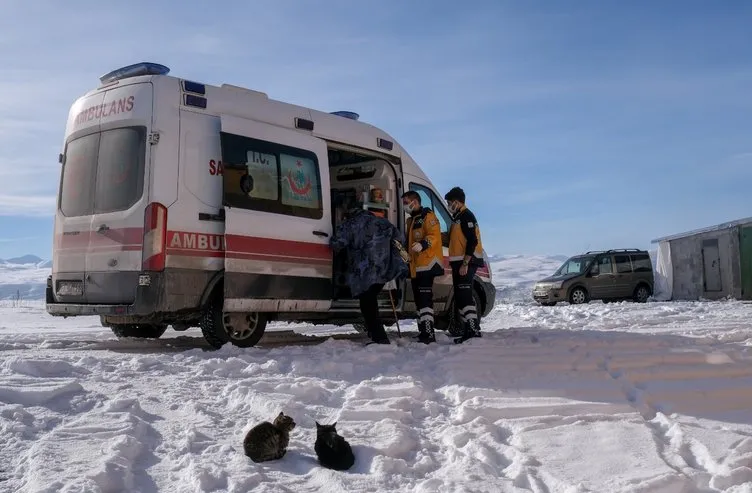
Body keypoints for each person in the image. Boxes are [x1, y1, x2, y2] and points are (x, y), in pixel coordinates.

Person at [330, 206, 408, 345]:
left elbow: (337, 243)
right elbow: (400, 239)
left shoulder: (351, 224)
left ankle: (380, 338)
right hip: (383, 270)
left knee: (368, 304)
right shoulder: (383, 222)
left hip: (364, 272)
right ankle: (374, 334)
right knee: (370, 301)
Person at [402, 191, 444, 344]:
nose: (405, 206)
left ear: (415, 201)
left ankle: (429, 333)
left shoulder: (429, 216)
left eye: (406, 202)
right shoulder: (411, 220)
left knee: (425, 301)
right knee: (419, 301)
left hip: (428, 264)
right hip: (415, 266)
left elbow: (434, 236)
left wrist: (423, 244)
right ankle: (422, 332)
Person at [444, 186, 485, 344]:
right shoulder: (458, 218)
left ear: (457, 202)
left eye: (449, 202)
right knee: (461, 298)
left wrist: (465, 263)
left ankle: (473, 329)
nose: (448, 205)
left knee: (466, 297)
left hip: (466, 262)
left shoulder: (467, 216)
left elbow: (472, 241)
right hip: (458, 262)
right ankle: (469, 329)